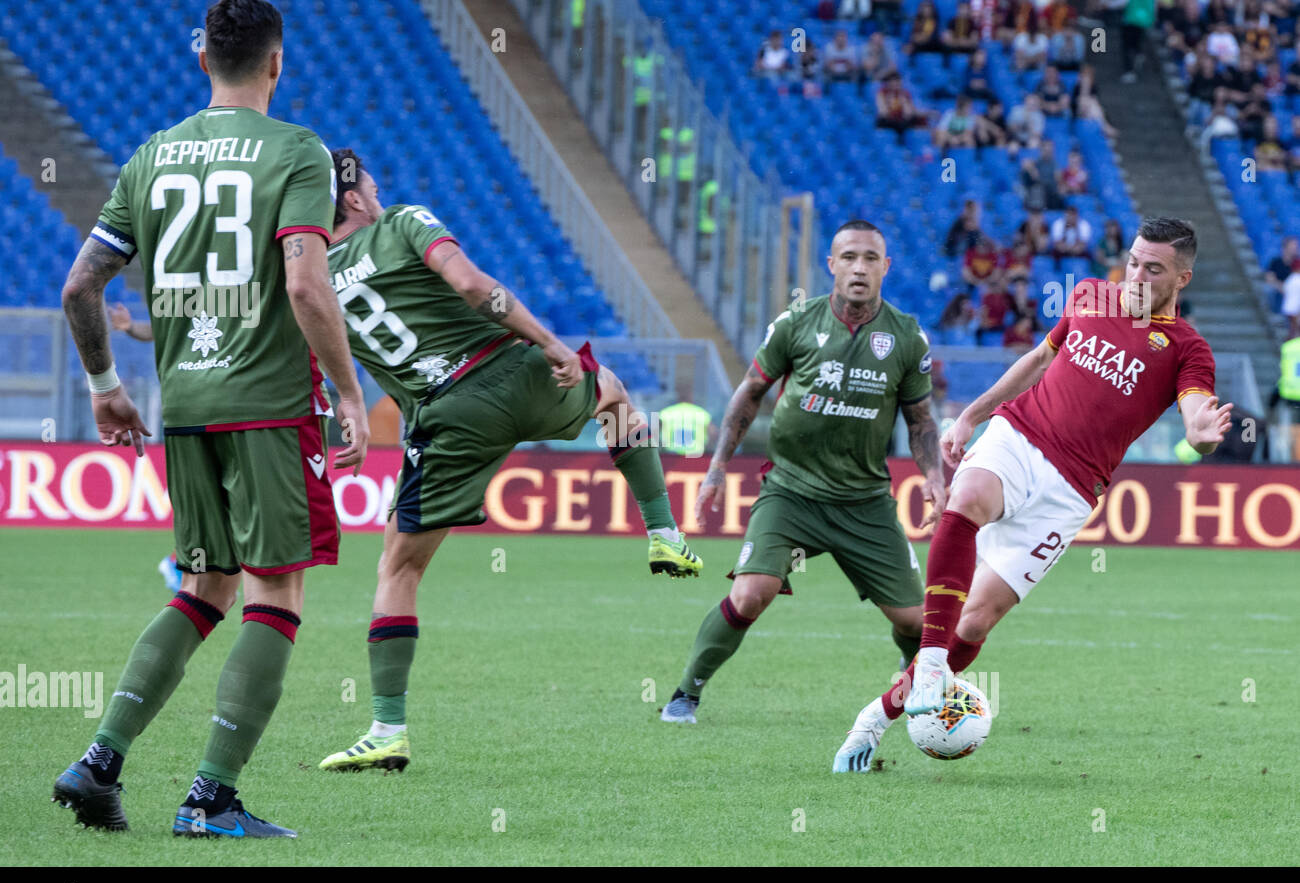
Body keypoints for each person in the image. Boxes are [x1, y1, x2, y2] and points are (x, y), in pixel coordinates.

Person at [51, 0, 371, 837]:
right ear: (276, 64)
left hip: (183, 405)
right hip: (268, 405)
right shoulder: (297, 150)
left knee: (204, 586)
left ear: (203, 62)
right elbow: (305, 285)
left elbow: (80, 286)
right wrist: (348, 392)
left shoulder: (151, 157)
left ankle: (100, 762)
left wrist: (104, 386)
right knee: (275, 590)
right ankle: (210, 800)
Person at [316, 150, 702, 769]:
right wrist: (550, 343)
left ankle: (388, 728)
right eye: (373, 183)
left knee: (399, 569)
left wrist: (349, 406)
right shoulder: (404, 223)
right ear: (355, 199)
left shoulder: (307, 280)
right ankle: (662, 530)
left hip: (449, 420)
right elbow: (472, 285)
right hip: (516, 376)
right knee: (613, 394)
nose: (380, 191)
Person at [833, 218, 1231, 771]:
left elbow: (1194, 410)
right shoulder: (1091, 295)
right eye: (1135, 260)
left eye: (1153, 268)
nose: (1136, 274)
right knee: (964, 501)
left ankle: (873, 719)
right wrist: (972, 413)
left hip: (1069, 491)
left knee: (973, 624)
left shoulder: (1188, 349)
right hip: (1019, 436)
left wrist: (1200, 434)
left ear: (1181, 278)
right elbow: (1041, 359)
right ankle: (928, 662)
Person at [660, 222, 946, 724]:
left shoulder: (906, 337)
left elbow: (920, 419)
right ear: (831, 265)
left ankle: (911, 666)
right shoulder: (795, 324)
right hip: (791, 492)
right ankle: (686, 692)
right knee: (750, 594)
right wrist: (717, 468)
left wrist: (934, 477)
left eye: (871, 258)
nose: (860, 267)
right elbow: (749, 392)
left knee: (915, 620)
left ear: (886, 267)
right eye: (850, 257)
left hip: (864, 501)